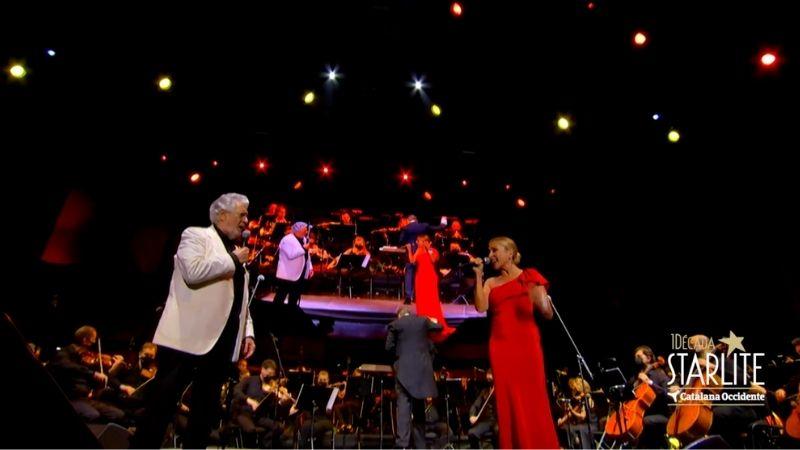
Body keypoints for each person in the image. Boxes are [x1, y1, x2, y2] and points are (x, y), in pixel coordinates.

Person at [132, 193, 256, 449]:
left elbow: (240, 298)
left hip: (221, 344)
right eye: (242, 214)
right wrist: (233, 260)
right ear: (222, 215)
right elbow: (192, 272)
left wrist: (248, 331)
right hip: (186, 339)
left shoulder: (236, 253)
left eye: (247, 215)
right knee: (162, 404)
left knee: (205, 413)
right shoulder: (196, 236)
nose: (247, 220)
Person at [472, 236, 559, 448]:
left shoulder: (529, 276)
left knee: (533, 396)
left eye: (495, 250)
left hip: (527, 345)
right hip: (501, 346)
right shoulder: (491, 282)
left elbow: (548, 314)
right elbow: (481, 307)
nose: (490, 255)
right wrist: (478, 276)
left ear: (510, 253)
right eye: (489, 251)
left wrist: (540, 300)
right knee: (507, 399)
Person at [386, 306, 443, 448]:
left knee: (404, 410)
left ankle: (402, 445)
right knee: (419, 411)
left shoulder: (396, 324)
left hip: (403, 373)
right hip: (421, 374)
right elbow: (439, 327)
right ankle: (420, 445)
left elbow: (388, 347)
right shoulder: (423, 321)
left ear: (400, 315)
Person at [407, 234, 455, 342]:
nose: (417, 243)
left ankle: (434, 322)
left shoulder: (433, 251)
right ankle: (422, 323)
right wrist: (409, 250)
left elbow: (433, 260)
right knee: (421, 300)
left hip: (430, 278)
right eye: (417, 241)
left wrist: (428, 249)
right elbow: (412, 261)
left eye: (419, 241)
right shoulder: (418, 250)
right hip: (420, 278)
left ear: (425, 241)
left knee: (431, 300)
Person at [399, 214, 446, 304]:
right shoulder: (423, 226)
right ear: (416, 220)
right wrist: (443, 223)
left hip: (410, 251)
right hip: (422, 251)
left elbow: (401, 240)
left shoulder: (406, 228)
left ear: (408, 220)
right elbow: (438, 228)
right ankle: (418, 296)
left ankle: (409, 296)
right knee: (420, 273)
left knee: (409, 273)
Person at [274, 222, 314, 306]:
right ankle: (275, 314)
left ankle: (291, 314)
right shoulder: (287, 239)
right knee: (280, 297)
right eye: (305, 229)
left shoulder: (304, 239)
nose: (307, 231)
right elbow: (291, 255)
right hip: (287, 275)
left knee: (294, 298)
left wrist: (310, 267)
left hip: (299, 274)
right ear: (298, 230)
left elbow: (307, 255)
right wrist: (304, 248)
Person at [468, 368, 498, 449]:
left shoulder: (500, 390)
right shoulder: (484, 391)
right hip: (487, 421)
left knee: (498, 431)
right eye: (487, 374)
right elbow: (475, 405)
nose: (488, 377)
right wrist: (472, 415)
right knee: (472, 433)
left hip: (498, 420)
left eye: (490, 375)